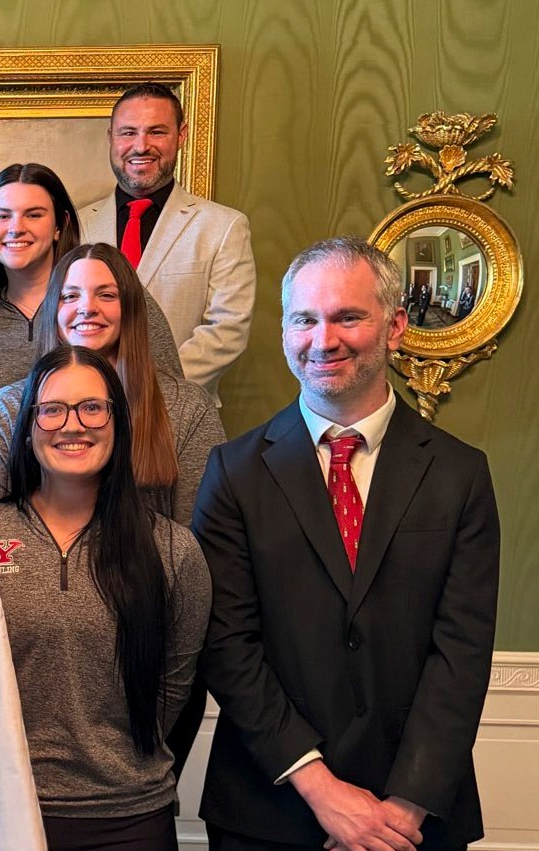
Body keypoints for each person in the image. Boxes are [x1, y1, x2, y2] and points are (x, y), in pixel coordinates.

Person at [194, 237, 499, 850]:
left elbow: (461, 651)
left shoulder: (459, 473)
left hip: (415, 819)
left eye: (348, 317)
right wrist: (322, 790)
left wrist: (403, 809)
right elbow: (226, 644)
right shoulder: (233, 472)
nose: (322, 339)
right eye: (304, 319)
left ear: (395, 327)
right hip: (269, 810)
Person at [0, 346, 209, 849]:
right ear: (29, 426)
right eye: (52, 409)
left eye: (92, 408)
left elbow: (173, 690)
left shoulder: (171, 550)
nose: (71, 425)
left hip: (131, 819)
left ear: (117, 421)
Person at [0, 243, 220, 525]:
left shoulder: (187, 408)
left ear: (131, 307)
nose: (87, 308)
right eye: (70, 296)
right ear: (52, 310)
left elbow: (197, 541)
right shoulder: (5, 411)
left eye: (107, 295)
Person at [77, 82, 256, 403]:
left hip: (179, 409)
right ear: (111, 138)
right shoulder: (76, 224)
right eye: (128, 133)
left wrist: (143, 383)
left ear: (181, 135)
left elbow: (227, 330)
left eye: (157, 132)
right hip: (86, 408)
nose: (141, 146)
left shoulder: (224, 226)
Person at [0, 163, 79, 440]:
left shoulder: (103, 301)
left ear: (60, 225)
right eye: (2, 216)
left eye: (33, 215)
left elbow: (167, 396)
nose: (16, 228)